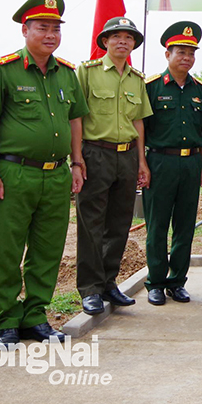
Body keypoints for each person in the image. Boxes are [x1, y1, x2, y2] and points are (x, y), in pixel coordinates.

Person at [0, 0, 89, 344]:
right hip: (12, 174)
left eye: (56, 28)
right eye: (42, 27)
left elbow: (76, 120)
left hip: (55, 174)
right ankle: (7, 320)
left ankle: (36, 316)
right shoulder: (3, 70)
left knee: (48, 249)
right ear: (26, 30)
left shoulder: (67, 73)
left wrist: (77, 162)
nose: (50, 34)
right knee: (7, 249)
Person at [75, 17, 152, 315]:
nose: (123, 41)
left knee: (119, 223)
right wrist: (78, 159)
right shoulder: (88, 72)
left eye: (129, 38)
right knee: (91, 224)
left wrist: (141, 161)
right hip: (96, 153)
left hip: (127, 156)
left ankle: (109, 282)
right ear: (104, 41)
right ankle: (90, 288)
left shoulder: (136, 79)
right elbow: (77, 117)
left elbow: (138, 121)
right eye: (116, 36)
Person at [142, 21, 202, 306]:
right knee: (157, 224)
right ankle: (156, 282)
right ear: (167, 53)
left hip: (191, 163)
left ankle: (177, 281)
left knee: (185, 225)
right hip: (160, 162)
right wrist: (141, 165)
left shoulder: (200, 90)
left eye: (191, 53)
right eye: (181, 51)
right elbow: (140, 129)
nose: (187, 57)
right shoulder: (152, 87)